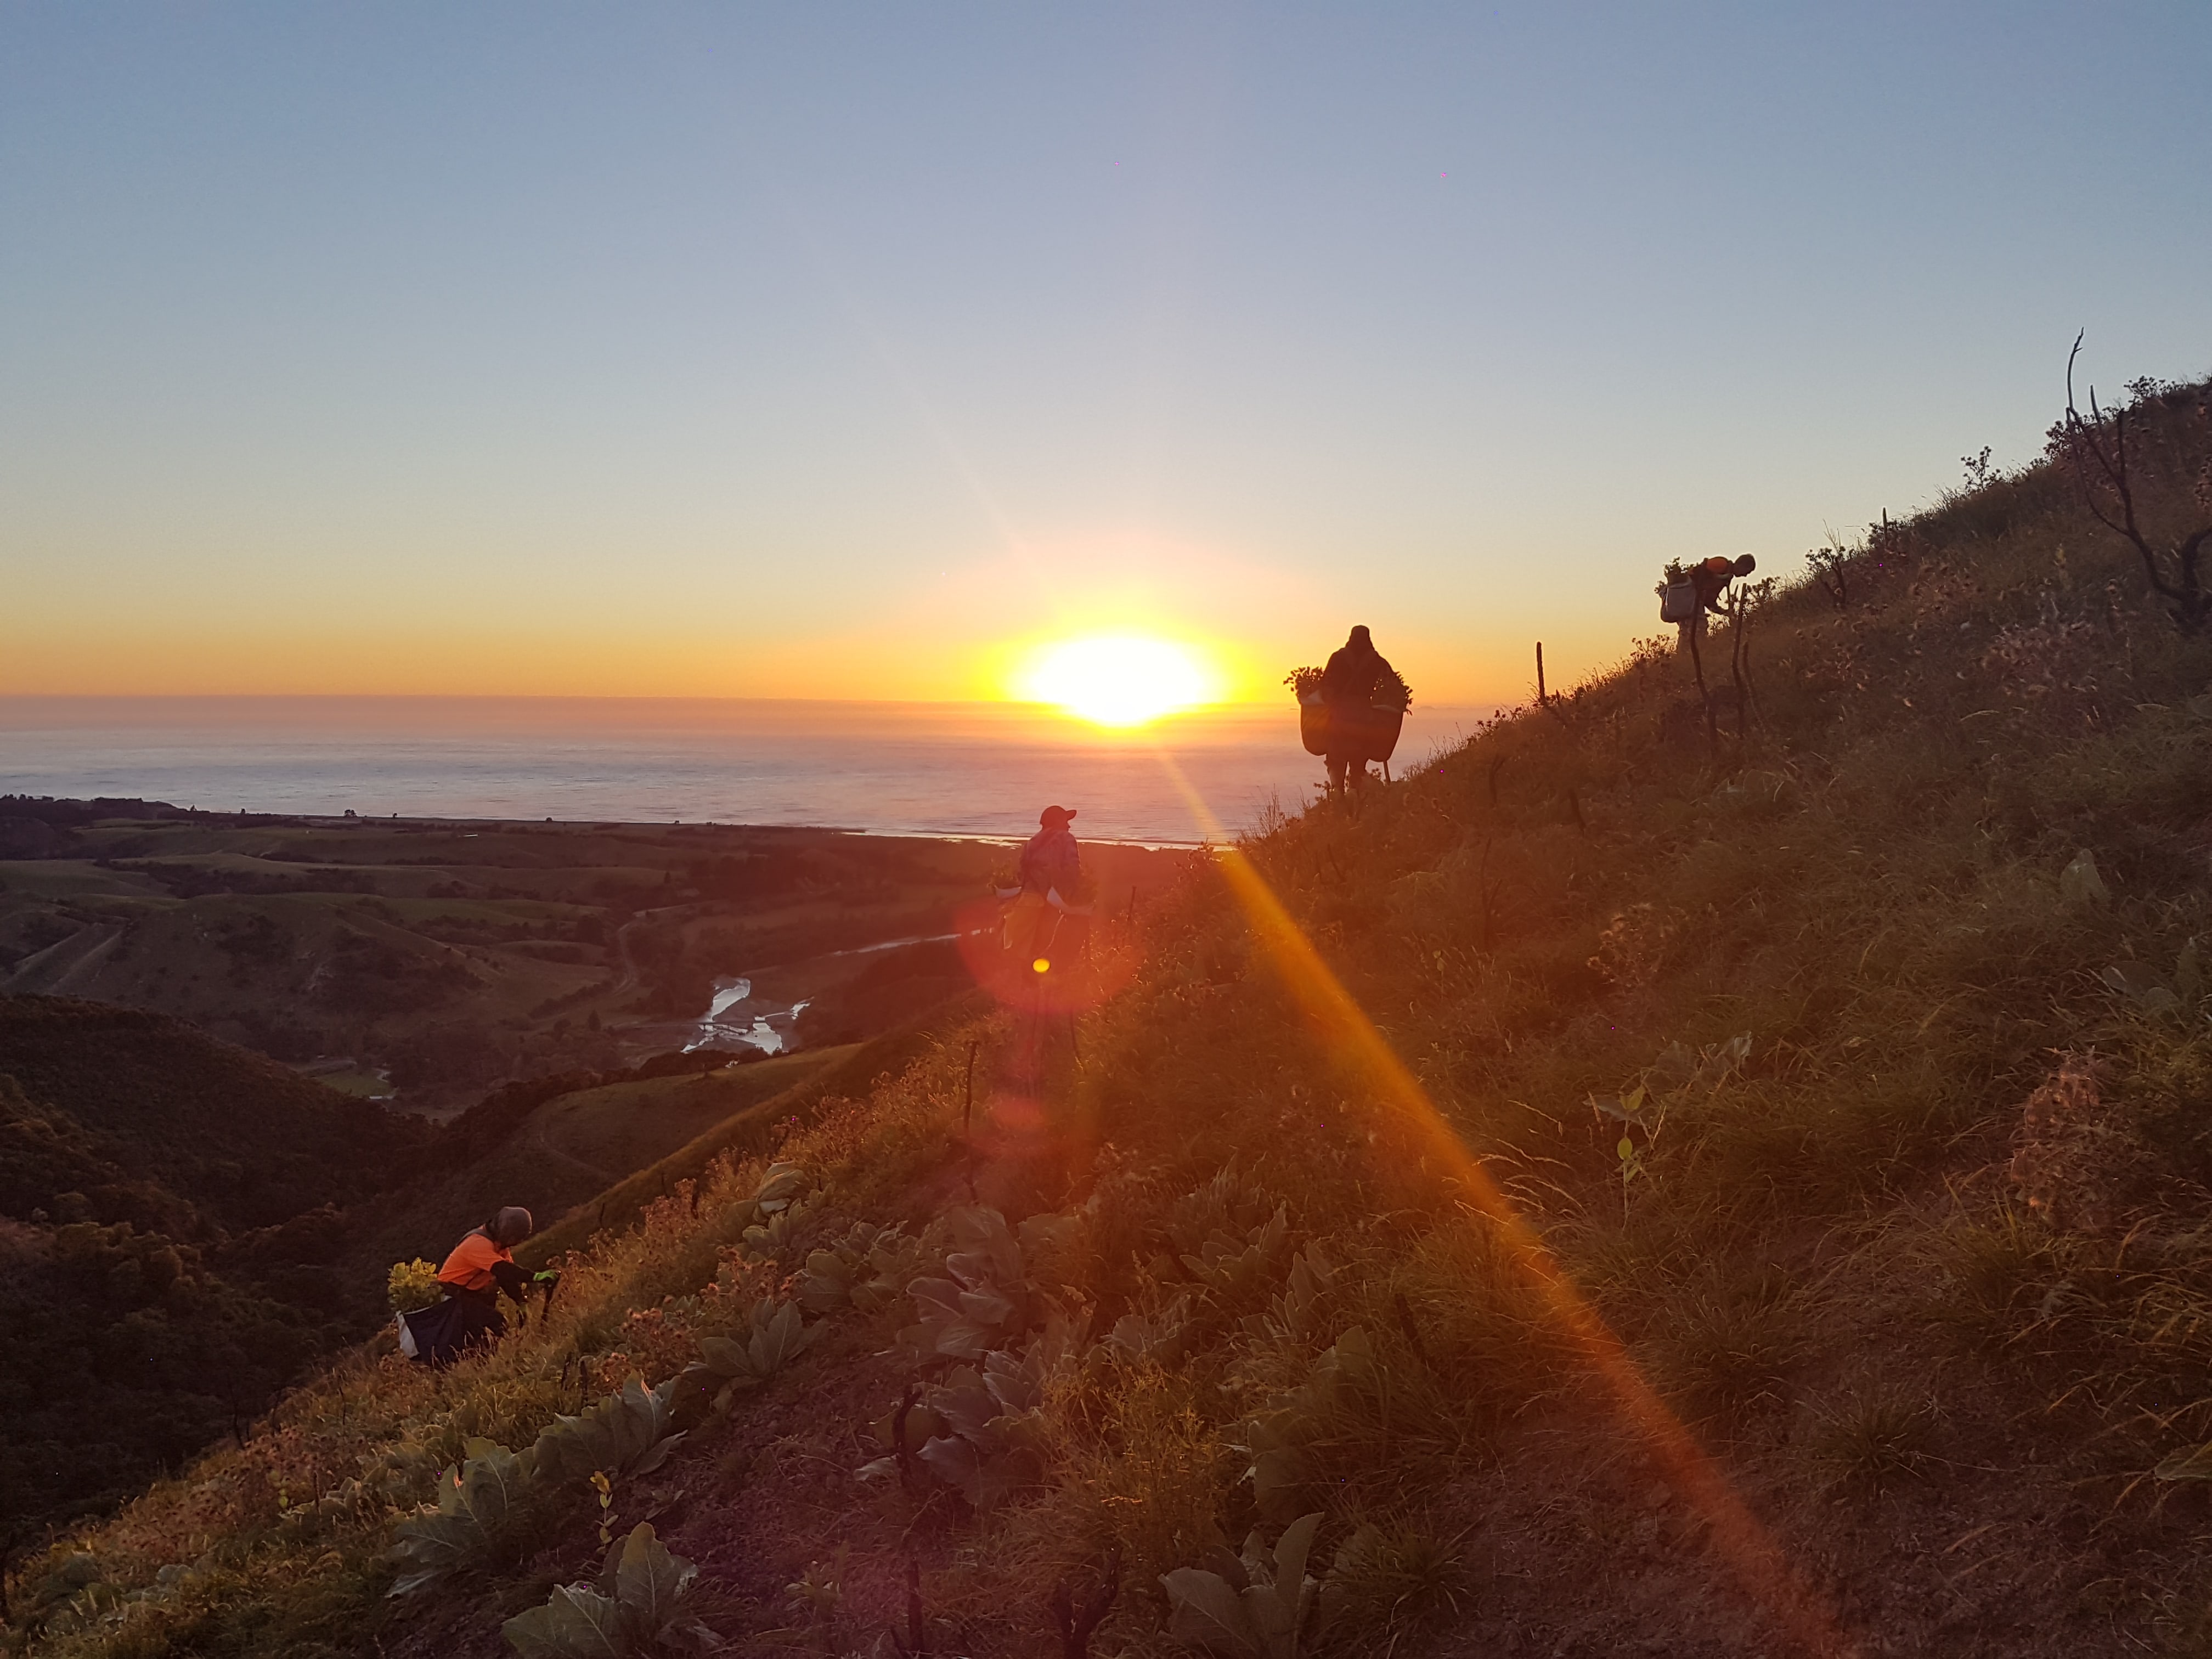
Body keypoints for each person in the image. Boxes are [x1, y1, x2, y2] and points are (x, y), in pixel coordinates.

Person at [397, 1206, 534, 1366]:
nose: (514, 1241)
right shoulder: (477, 1244)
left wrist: (521, 1301)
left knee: (480, 1334)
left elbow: (505, 1278)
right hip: (452, 1299)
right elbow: (503, 1269)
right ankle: (484, 1366)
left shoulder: (499, 1247)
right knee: (497, 1323)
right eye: (513, 1237)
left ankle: (481, 1367)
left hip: (465, 1297)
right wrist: (535, 1277)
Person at [1319, 625, 1397, 794]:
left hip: (1340, 714)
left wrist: (1329, 703)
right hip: (1365, 715)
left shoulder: (1337, 658)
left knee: (1336, 755)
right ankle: (1355, 793)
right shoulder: (1377, 661)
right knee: (1359, 756)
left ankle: (1338, 792)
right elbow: (1393, 686)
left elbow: (1325, 684)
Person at [1002, 805, 1084, 962]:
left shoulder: (1031, 842)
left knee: (1023, 947)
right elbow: (1073, 869)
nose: (1069, 825)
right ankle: (1040, 980)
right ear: (1057, 820)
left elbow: (1022, 872)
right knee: (1045, 947)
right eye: (1065, 820)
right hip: (1051, 899)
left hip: (1027, 898)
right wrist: (1074, 895)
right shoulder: (1066, 838)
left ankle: (1022, 981)